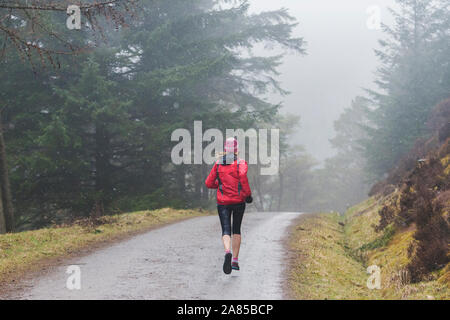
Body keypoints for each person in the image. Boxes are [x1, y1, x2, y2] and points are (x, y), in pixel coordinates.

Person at [205, 137, 253, 274]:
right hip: (238, 201)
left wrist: (220, 185)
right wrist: (247, 195)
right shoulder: (241, 163)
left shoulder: (218, 164)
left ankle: (227, 251)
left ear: (225, 149)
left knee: (225, 229)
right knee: (236, 229)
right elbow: (243, 178)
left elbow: (208, 183)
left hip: (223, 202)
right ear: (237, 150)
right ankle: (235, 261)